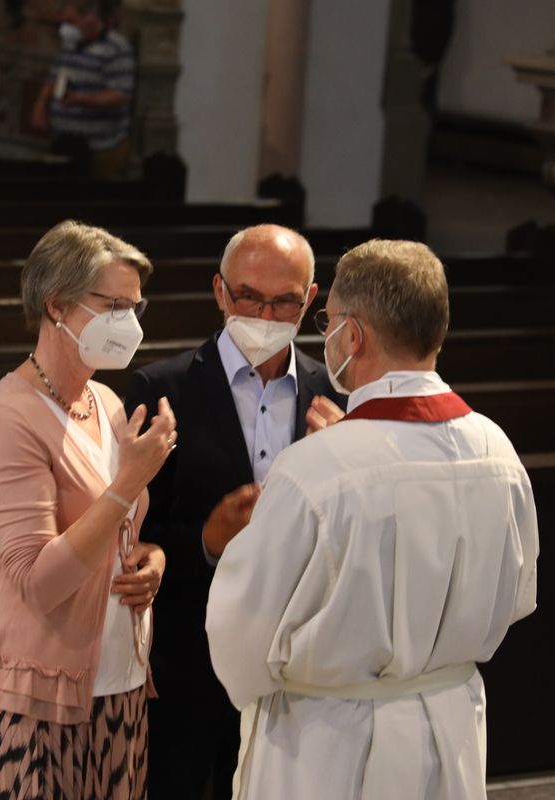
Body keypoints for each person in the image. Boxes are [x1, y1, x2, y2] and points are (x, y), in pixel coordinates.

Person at [206, 240, 540, 800]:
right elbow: (518, 597)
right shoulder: (497, 450)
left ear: (352, 336)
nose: (327, 334)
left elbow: (239, 634)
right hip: (448, 727)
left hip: (325, 744)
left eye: (329, 320)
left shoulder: (315, 468)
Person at [0, 220, 174, 799]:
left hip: (118, 688)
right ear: (56, 305)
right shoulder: (9, 417)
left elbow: (114, 533)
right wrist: (128, 484)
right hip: (30, 700)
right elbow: (37, 581)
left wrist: (152, 558)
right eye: (113, 305)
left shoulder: (107, 402)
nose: (128, 322)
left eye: (135, 307)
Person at [122, 224, 341, 799]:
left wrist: (349, 461)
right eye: (248, 296)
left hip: (298, 663)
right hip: (188, 660)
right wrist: (206, 540)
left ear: (310, 299)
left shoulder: (335, 396)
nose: (265, 314)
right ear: (220, 292)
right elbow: (129, 533)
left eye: (285, 301)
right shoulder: (161, 387)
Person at [30, 0, 136, 178]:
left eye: (71, 22)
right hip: (65, 144)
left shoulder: (116, 48)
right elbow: (55, 76)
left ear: (90, 18)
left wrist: (79, 99)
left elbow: (120, 95)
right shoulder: (69, 44)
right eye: (63, 22)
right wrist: (40, 106)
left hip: (101, 148)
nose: (65, 28)